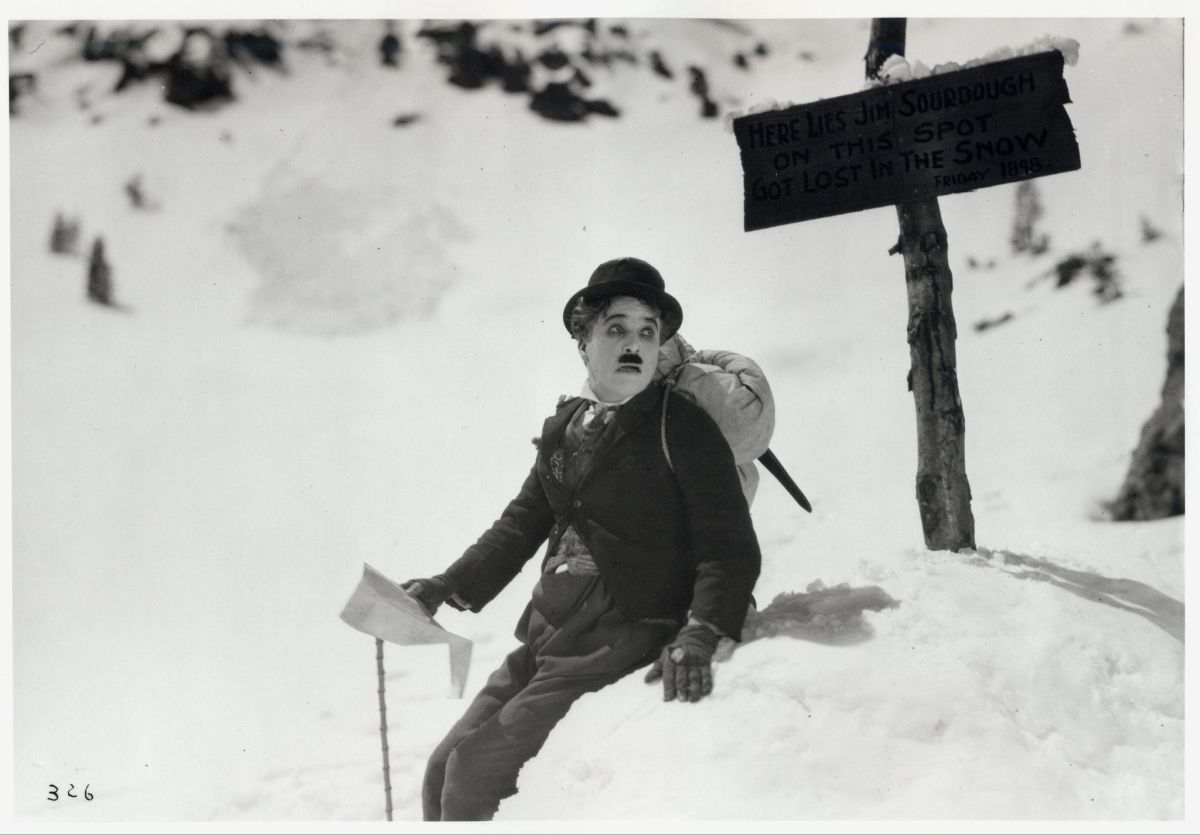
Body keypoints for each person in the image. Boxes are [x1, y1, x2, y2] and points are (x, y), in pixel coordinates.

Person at [402, 257, 762, 821]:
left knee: (472, 774)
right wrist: (445, 584)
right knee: (440, 770)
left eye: (648, 332)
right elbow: (522, 522)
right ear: (583, 339)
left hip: (623, 632)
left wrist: (702, 631)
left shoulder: (682, 427)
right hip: (551, 631)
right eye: (616, 329)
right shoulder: (566, 426)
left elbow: (729, 545)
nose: (633, 345)